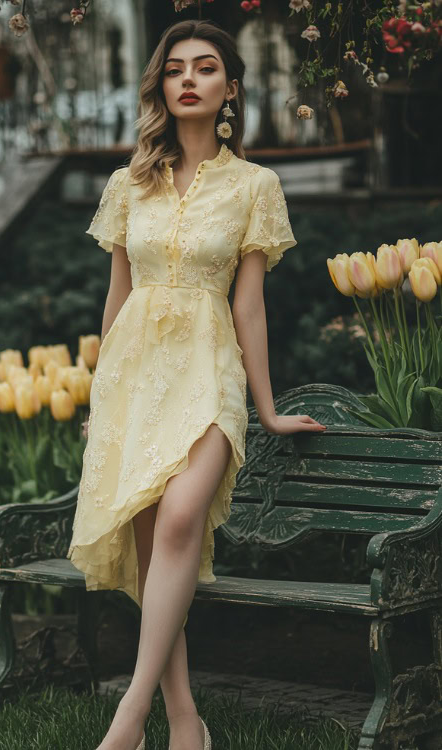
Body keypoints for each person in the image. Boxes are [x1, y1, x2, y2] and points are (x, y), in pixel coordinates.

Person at [67, 17, 327, 750]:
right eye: (176, 67)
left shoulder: (256, 185)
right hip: (134, 375)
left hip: (208, 373)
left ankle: (129, 714)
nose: (189, 78)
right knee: (155, 556)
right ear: (162, 87)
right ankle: (185, 724)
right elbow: (116, 296)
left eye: (206, 67)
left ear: (230, 90)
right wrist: (98, 396)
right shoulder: (129, 184)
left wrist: (267, 410)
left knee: (180, 520)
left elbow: (249, 304)